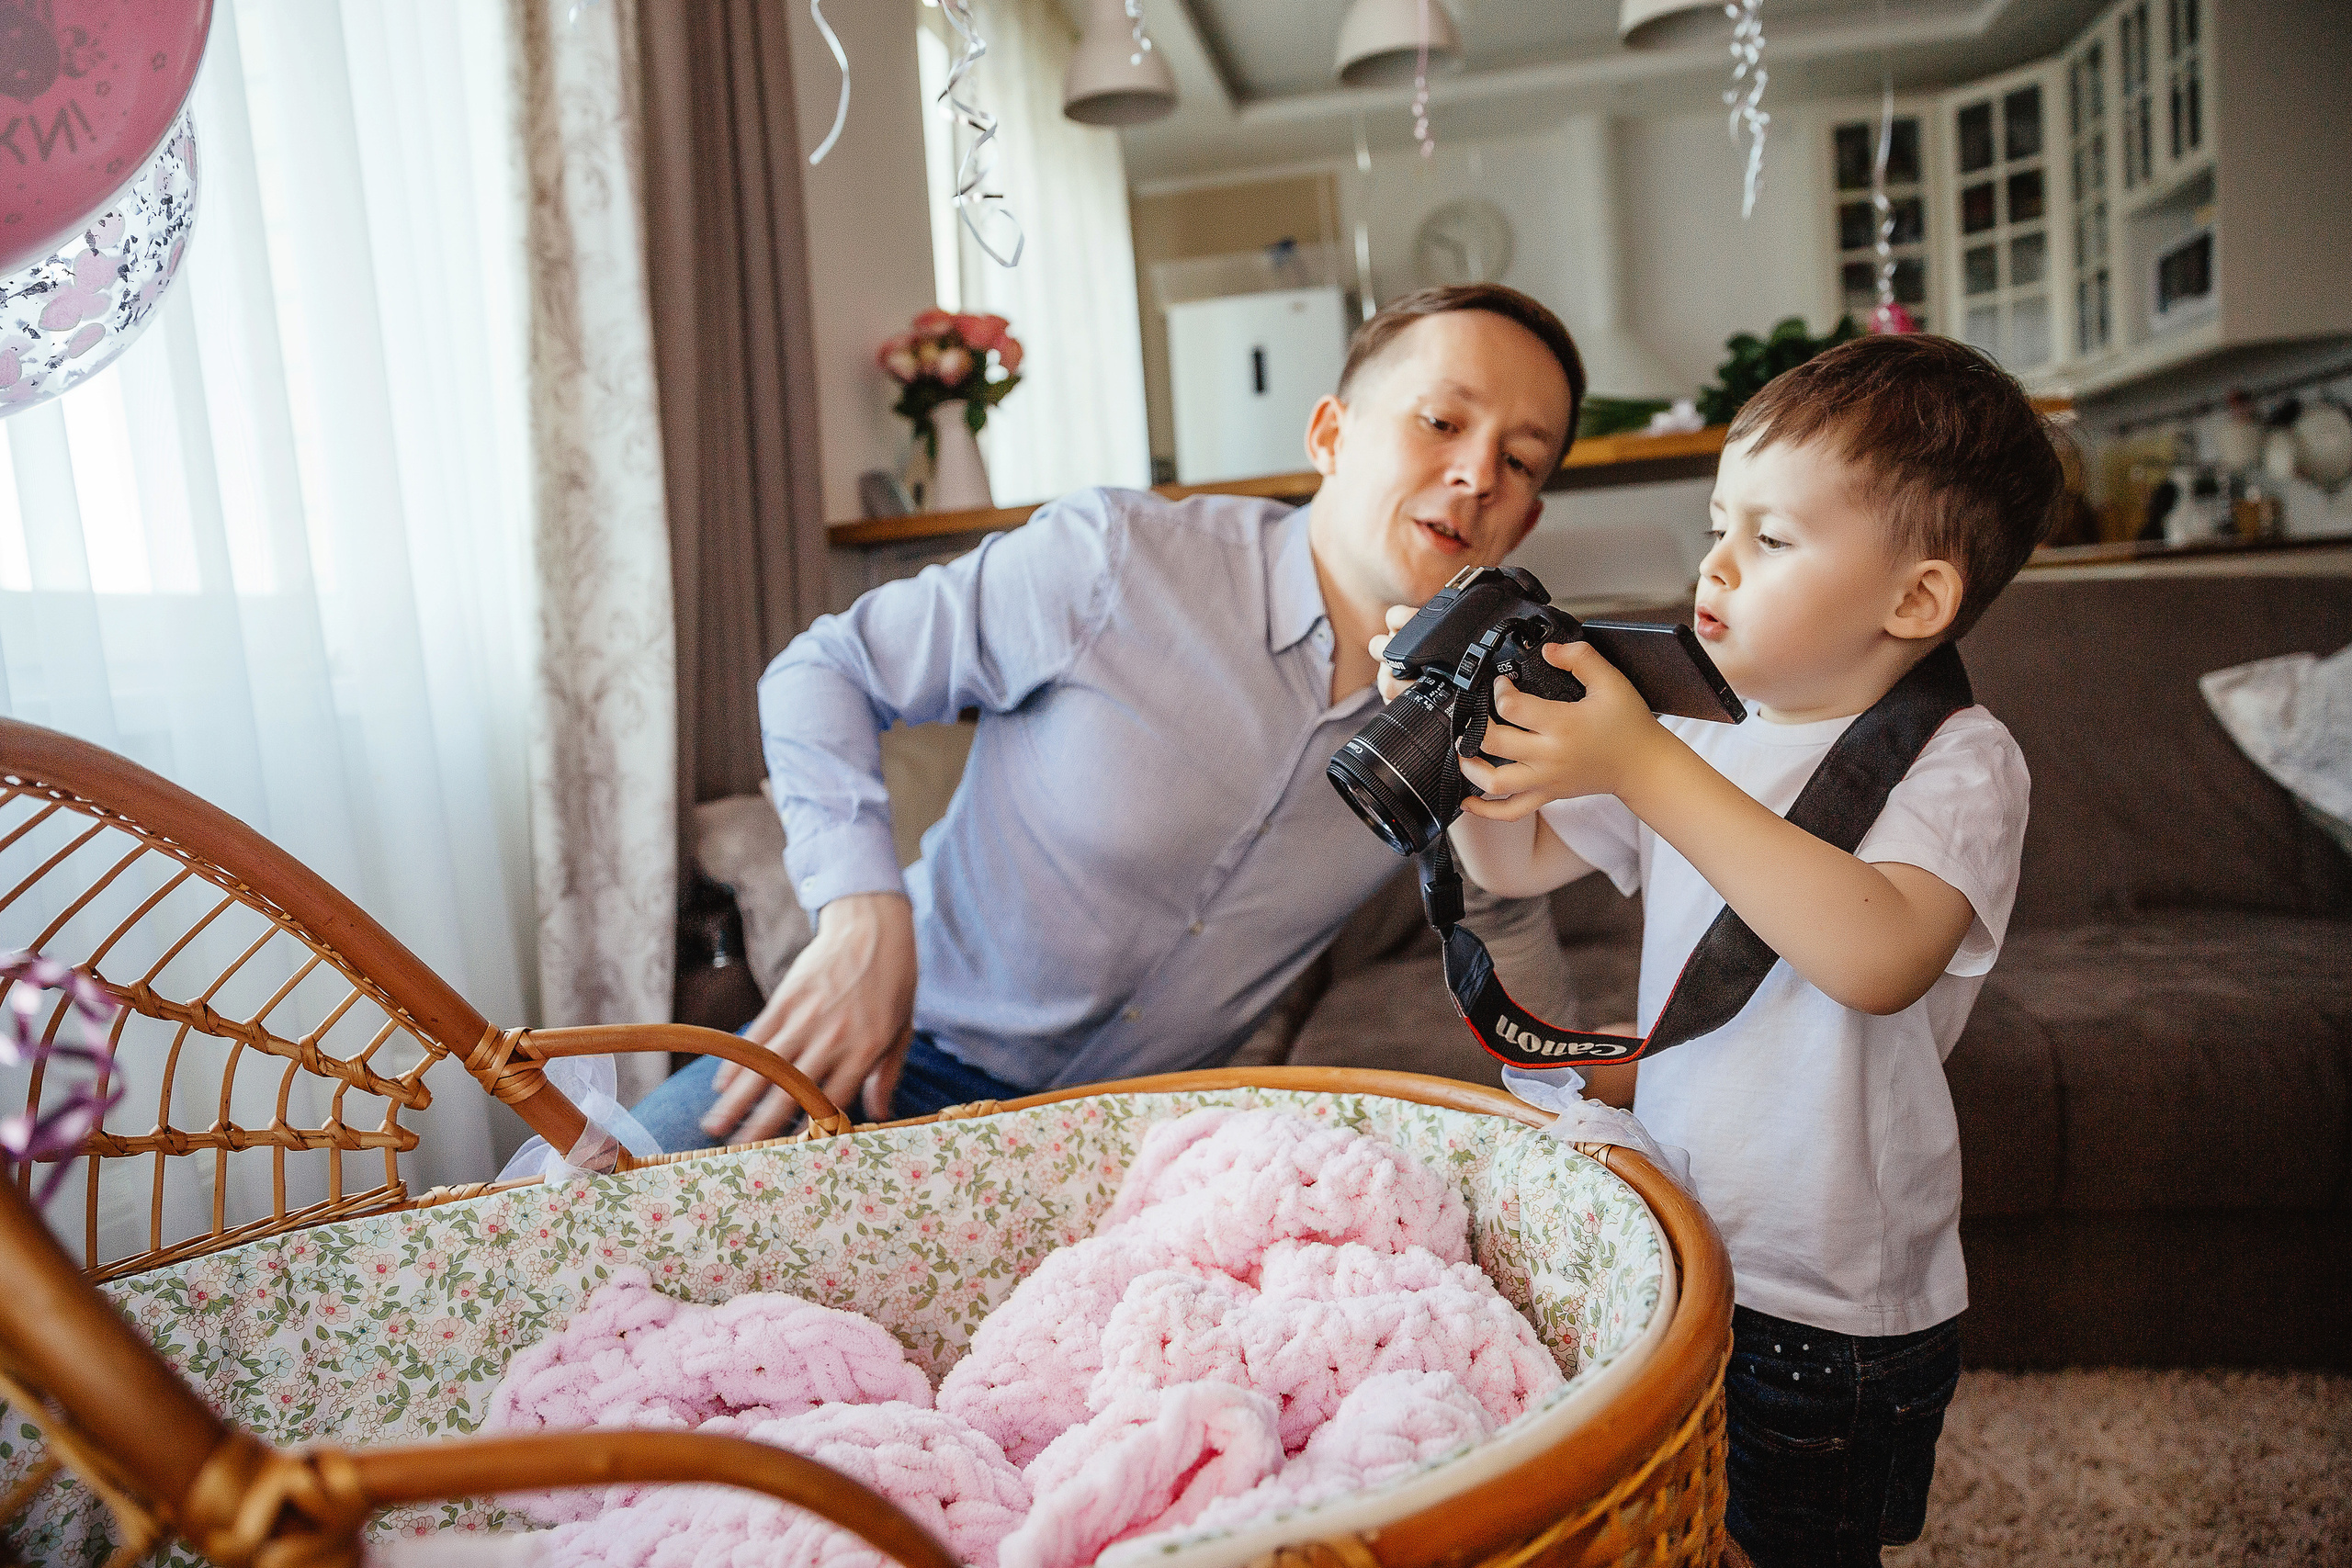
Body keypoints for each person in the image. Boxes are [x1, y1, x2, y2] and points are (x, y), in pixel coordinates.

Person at [630, 284, 1587, 1149]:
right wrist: (858, 915)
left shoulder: (1473, 712)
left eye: (1519, 460)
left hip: (1131, 1147)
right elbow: (824, 667)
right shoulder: (1116, 558)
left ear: (1526, 522)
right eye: (1439, 421)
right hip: (890, 1054)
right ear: (1331, 435)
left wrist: (1593, 1119)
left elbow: (1503, 913)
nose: (1476, 474)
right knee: (565, 1215)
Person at [1420, 333, 2060, 1567]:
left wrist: (1642, 760)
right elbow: (1514, 862)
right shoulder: (1701, 729)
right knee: (1692, 1522)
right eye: (1720, 520)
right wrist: (1464, 736)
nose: (1714, 562)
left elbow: (1876, 952)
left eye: (1770, 538)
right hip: (1686, 1233)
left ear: (1915, 599)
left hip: (1834, 1294)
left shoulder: (1960, 756)